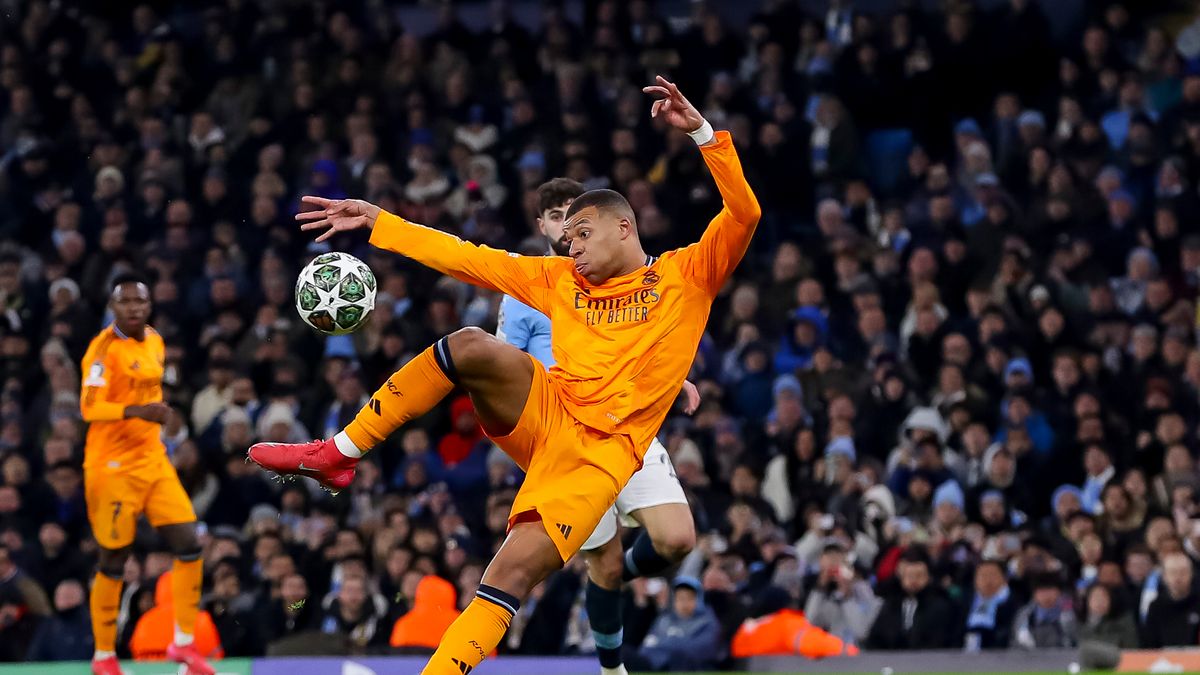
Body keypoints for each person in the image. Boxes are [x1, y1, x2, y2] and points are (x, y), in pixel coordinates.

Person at [249, 75, 760, 675]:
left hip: (597, 455)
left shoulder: (686, 276)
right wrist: (381, 223)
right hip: (548, 408)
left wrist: (702, 133)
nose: (571, 249)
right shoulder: (559, 281)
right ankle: (339, 452)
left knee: (508, 574)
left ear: (624, 227)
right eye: (566, 239)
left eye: (581, 235)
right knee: (471, 344)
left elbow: (744, 212)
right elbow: (471, 258)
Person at [496, 176, 699, 675]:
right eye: (559, 217)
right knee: (601, 563)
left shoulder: (624, 280)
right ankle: (612, 669)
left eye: (579, 218)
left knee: (676, 539)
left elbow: (646, 341)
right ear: (544, 226)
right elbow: (505, 365)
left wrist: (676, 380)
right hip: (566, 434)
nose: (570, 228)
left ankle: (627, 574)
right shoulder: (534, 287)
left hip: (627, 426)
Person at [80, 274, 213, 675]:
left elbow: (148, 390)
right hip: (112, 466)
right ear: (113, 306)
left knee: (190, 544)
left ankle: (184, 645)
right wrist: (140, 412)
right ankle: (104, 656)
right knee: (114, 559)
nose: (135, 308)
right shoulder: (102, 351)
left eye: (141, 302)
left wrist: (155, 412)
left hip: (152, 459)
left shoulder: (154, 339)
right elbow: (89, 407)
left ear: (149, 305)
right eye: (126, 302)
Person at [627, 576, 721, 672]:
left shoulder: (707, 622)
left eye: (689, 598)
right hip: (655, 666)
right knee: (623, 653)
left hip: (688, 668)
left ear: (699, 599)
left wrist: (667, 643)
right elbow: (646, 647)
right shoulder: (664, 620)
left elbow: (699, 650)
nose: (684, 603)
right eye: (680, 598)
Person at [1141, 552, 1200, 647]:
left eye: (1183, 572)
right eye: (1173, 572)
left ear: (1191, 574)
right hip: (1163, 659)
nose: (1178, 577)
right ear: (1164, 576)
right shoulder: (1156, 606)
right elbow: (1149, 644)